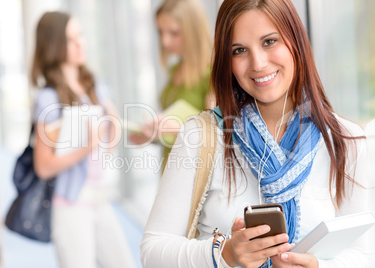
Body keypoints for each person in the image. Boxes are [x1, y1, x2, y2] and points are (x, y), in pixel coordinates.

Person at [140, 0, 373, 267]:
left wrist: (319, 266)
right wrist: (224, 253)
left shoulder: (345, 140)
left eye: (269, 41)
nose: (258, 63)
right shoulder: (201, 137)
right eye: (239, 50)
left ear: (295, 40)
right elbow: (152, 251)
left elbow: (362, 255)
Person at [31, 11, 135, 268]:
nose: (81, 43)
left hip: (100, 197)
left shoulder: (93, 85)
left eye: (81, 36)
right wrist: (86, 148)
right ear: (54, 45)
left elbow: (106, 147)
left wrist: (114, 126)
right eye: (70, 39)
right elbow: (43, 167)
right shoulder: (48, 99)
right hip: (71, 204)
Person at [130, 0, 214, 169]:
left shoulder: (214, 72)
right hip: (172, 170)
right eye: (161, 32)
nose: (165, 41)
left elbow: (216, 137)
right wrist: (153, 135)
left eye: (174, 33)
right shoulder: (176, 68)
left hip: (195, 175)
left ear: (193, 30)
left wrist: (177, 131)